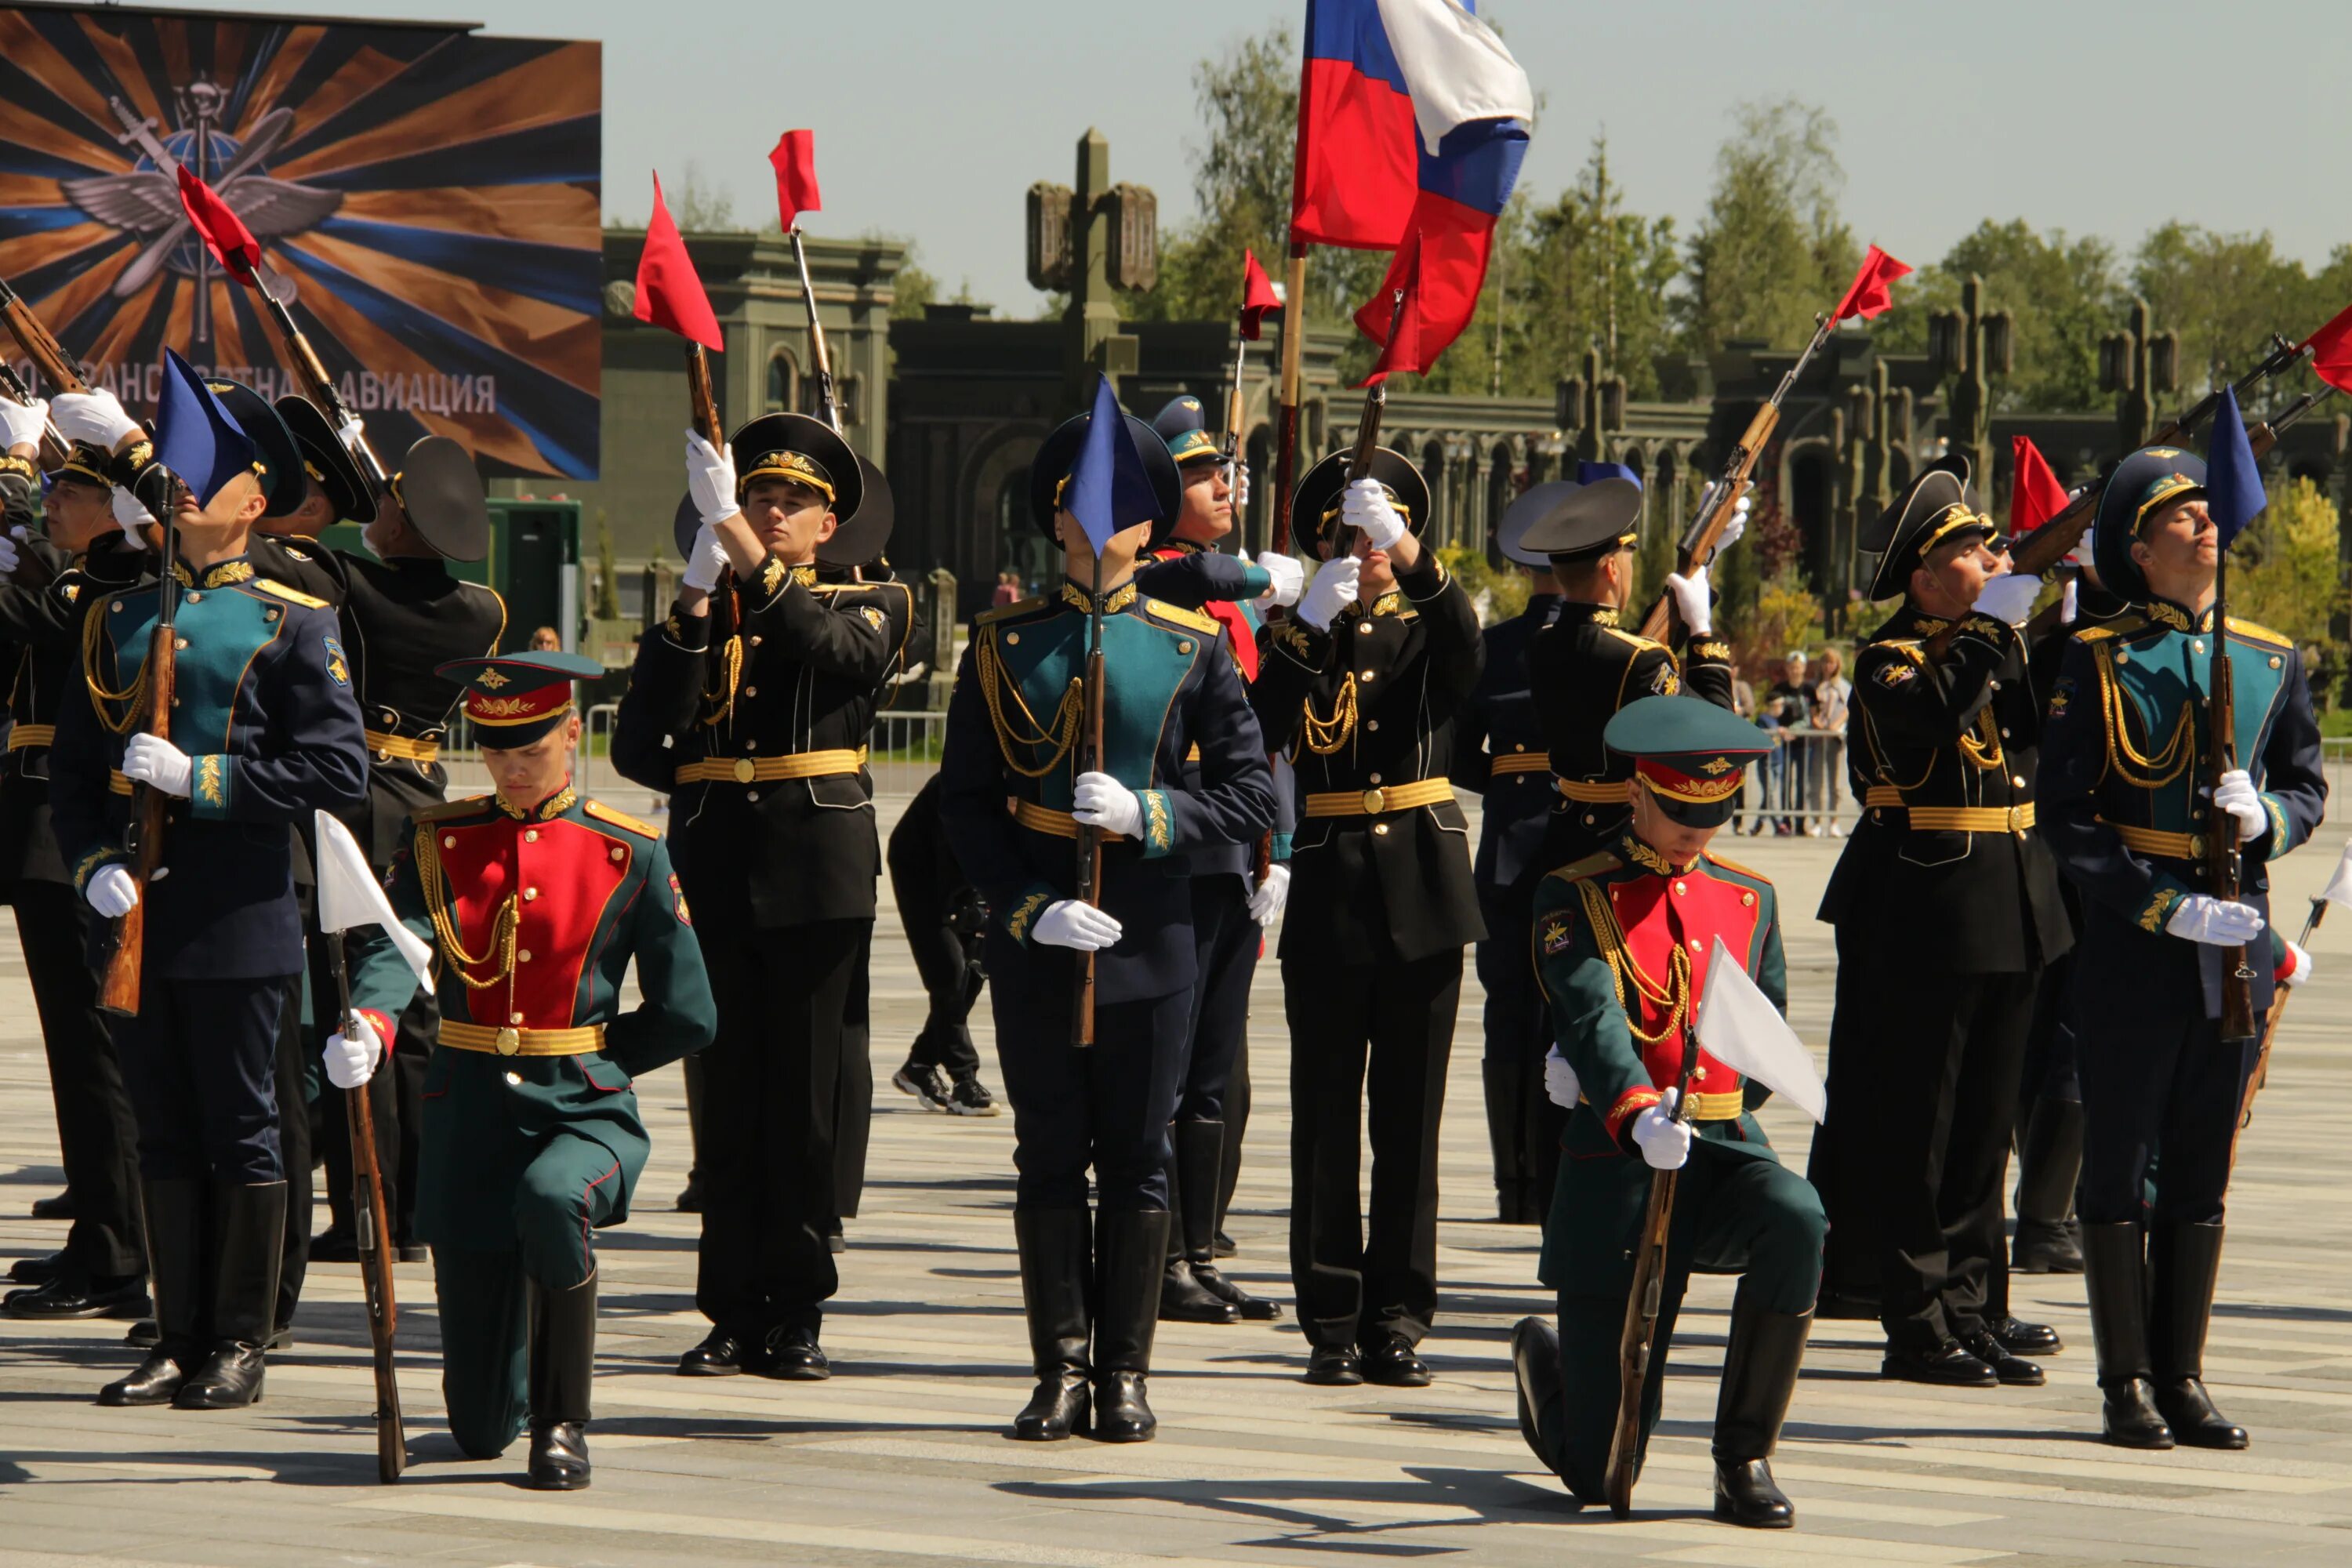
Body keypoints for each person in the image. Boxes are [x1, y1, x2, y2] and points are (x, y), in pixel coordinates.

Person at [935, 395, 1274, 1442]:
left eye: (1121, 502)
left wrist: (1153, 811)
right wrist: (1026, 910)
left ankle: (1124, 1372)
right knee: (1047, 1152)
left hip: (1152, 933)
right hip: (1042, 935)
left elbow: (1254, 794)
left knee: (1138, 1153)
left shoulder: (1189, 647)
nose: (1098, 519)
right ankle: (1059, 1368)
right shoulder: (1000, 648)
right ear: (1057, 518)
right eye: (1082, 502)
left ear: (1147, 524)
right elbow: (962, 802)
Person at [49, 368, 368, 1410]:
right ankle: (174, 1334)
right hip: (137, 917)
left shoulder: (293, 622)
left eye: (218, 472)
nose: (188, 485)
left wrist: (207, 780)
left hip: (239, 914)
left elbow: (337, 771)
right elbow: (75, 772)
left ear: (257, 501)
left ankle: (238, 1337)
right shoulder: (117, 617)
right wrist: (95, 866)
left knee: (242, 1127)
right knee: (161, 1127)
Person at [332, 652, 713, 1489]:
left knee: (553, 1197)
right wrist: (370, 1018)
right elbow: (401, 949)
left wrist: (604, 1062)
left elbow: (691, 1010)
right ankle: (507, 1403)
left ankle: (563, 1421)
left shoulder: (628, 851)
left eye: (531, 745)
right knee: (474, 1426)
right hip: (470, 1113)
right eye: (495, 746)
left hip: (584, 1109)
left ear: (573, 734)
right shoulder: (439, 839)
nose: (510, 763)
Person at [611, 412, 913, 1381]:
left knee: (806, 1100)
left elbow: (844, 657)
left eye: (793, 501)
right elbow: (637, 739)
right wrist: (695, 595)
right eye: (755, 496)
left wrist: (747, 561)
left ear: (830, 524)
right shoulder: (709, 607)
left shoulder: (878, 599)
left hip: (816, 869)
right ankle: (730, 1307)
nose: (771, 510)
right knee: (727, 1100)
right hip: (716, 865)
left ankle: (796, 1308)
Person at [2039, 445, 2325, 1450]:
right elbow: (2067, 818)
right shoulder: (2102, 657)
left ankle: (2183, 1373)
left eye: (2211, 510)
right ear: (2138, 547)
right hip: (2138, 943)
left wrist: (2269, 828)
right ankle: (2125, 1382)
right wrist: (2161, 908)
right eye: (2184, 514)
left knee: (2204, 1160)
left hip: (2237, 933)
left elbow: (2304, 786)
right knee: (2119, 1160)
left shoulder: (2269, 656)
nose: (2209, 525)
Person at [1508, 695, 1822, 1528]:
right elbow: (1589, 1015)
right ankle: (1547, 1368)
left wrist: (1737, 1091)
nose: (1696, 831)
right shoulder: (1574, 894)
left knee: (1799, 1216)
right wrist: (1633, 1105)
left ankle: (1743, 1455)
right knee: (1598, 1471)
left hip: (1719, 1151)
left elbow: (1762, 1027)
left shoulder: (1748, 896)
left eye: (1712, 814)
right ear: (1638, 793)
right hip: (1620, 1165)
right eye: (1681, 812)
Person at [1812, 459, 2071, 1388]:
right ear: (1923, 580)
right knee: (1922, 1124)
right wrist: (1998, 621)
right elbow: (1933, 713)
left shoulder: (1986, 644)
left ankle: (1974, 1303)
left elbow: (2036, 735)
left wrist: (2046, 624)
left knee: (1985, 1124)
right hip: (1926, 903)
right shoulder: (1894, 656)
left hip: (2008, 897)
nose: (1995, 554)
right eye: (1972, 549)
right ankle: (1916, 1316)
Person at [1249, 444, 1481, 1388]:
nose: (1371, 547)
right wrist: (1306, 624)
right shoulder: (1294, 632)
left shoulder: (1428, 624)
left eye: (1383, 531)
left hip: (1424, 881)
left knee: (1410, 1121)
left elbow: (1467, 646)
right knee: (1326, 1116)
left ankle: (1399, 1315)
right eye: (1355, 532)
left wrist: (1420, 561)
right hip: (1335, 881)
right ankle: (1332, 1316)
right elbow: (1260, 720)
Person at [263, 398, 506, 1287]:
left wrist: (326, 488)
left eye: (391, 505)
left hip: (347, 798)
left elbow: (282, 556)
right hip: (422, 800)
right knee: (400, 1017)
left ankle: (361, 1207)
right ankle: (399, 1212)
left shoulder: (347, 583)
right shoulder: (483, 608)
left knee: (341, 1008)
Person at [1141, 394, 1300, 1327]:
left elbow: (1257, 741)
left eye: (1222, 471)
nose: (1223, 485)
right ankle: (1158, 1255)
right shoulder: (1164, 580)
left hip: (1236, 854)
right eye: (1202, 475)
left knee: (1212, 1072)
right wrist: (1256, 577)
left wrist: (1272, 844)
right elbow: (1193, 572)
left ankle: (1199, 1251)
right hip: (1179, 852)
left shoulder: (1224, 605)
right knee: (1170, 1073)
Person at [0, 409, 151, 1325]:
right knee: (74, 1052)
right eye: (53, 488)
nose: (55, 504)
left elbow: (21, 601)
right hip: (44, 826)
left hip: (75, 833)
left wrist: (14, 468)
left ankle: (116, 1252)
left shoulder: (113, 579)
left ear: (112, 506)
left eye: (71, 491)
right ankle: (99, 1230)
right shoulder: (82, 575)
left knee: (93, 1052)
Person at [1526, 468, 1740, 869]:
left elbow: (1629, 647)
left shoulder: (1543, 640)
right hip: (1623, 840)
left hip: (1564, 827)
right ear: (1611, 569)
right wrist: (1702, 631)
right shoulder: (1638, 658)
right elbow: (1719, 727)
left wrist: (1702, 566)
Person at [1453, 483, 1567, 1225]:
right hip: (1568, 848)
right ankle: (1547, 1182)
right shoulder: (1618, 644)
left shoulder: (1494, 649)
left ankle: (1516, 1185)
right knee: (1563, 1016)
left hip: (1506, 847)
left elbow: (1465, 762)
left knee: (1511, 1017)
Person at [884, 775, 1000, 1115]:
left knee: (975, 973)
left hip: (968, 874)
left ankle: (918, 1067)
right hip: (921, 869)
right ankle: (964, 1079)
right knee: (949, 972)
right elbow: (948, 852)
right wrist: (965, 912)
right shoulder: (964, 779)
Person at [1762, 653, 1813, 834]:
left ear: (1804, 668)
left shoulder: (1809, 689)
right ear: (1787, 668)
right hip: (1784, 743)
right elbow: (1771, 711)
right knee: (1785, 782)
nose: (1795, 670)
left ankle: (1801, 822)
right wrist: (1782, 730)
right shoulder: (1780, 688)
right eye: (1792, 667)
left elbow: (1813, 715)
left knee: (1801, 783)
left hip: (1803, 743)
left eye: (1798, 667)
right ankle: (1786, 821)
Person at [1809, 647, 1851, 836]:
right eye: (1825, 662)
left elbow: (1847, 709)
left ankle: (1834, 821)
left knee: (1835, 783)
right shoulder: (1814, 685)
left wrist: (1835, 725)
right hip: (1817, 739)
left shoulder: (1843, 686)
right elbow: (1810, 707)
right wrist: (1816, 722)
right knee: (1816, 781)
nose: (1828, 666)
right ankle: (1816, 821)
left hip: (1835, 739)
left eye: (1832, 662)